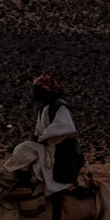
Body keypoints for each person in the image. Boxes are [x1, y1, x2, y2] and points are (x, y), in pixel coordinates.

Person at [30, 74, 85, 207]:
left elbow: (66, 128)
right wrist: (37, 136)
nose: (34, 93)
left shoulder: (59, 105)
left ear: (45, 91)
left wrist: (43, 137)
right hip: (49, 146)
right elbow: (40, 128)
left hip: (62, 151)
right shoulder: (44, 107)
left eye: (36, 90)